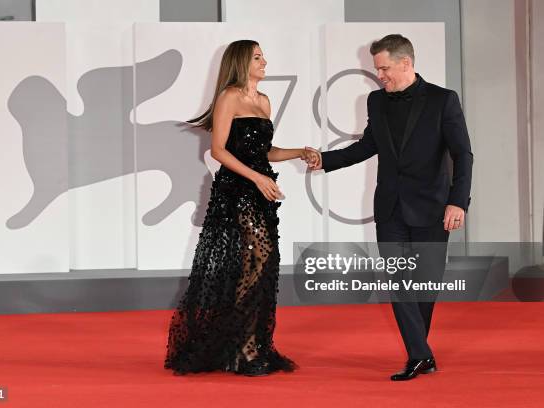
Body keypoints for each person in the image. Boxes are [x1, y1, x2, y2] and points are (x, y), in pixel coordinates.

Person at [307, 34, 473, 381]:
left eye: (384, 68)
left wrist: (458, 202)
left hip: (433, 207)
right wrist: (325, 159)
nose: (379, 75)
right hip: (391, 207)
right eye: (376, 69)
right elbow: (368, 145)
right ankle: (419, 354)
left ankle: (420, 354)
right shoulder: (376, 102)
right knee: (399, 281)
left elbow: (463, 155)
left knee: (426, 286)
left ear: (405, 63)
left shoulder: (444, 100)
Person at [165, 40, 316, 376]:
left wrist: (298, 152)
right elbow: (219, 150)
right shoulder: (229, 96)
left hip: (261, 190)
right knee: (258, 258)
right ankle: (241, 346)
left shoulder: (264, 101)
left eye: (263, 55)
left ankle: (240, 343)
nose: (265, 61)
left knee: (258, 265)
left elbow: (265, 151)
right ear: (240, 63)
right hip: (236, 190)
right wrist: (256, 179)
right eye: (257, 57)